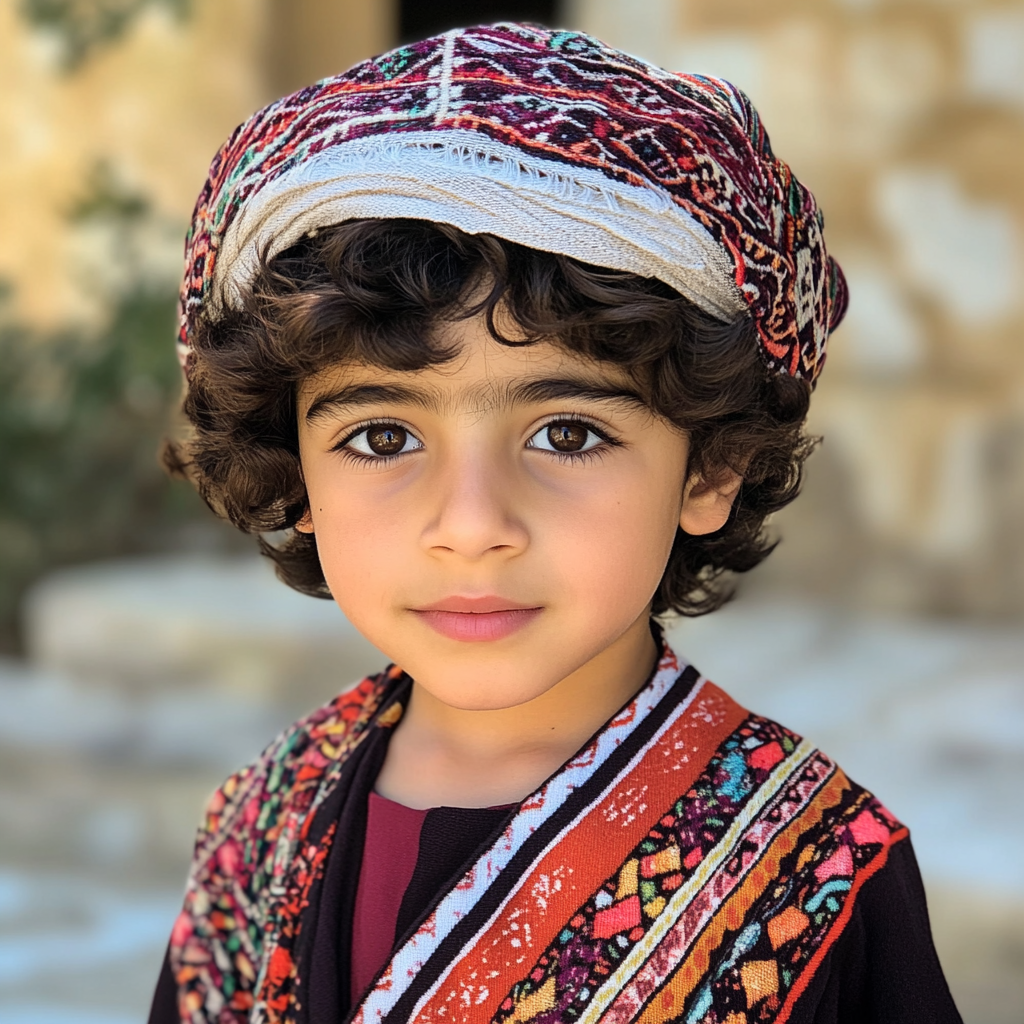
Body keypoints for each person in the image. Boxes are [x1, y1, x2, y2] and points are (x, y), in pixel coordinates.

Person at [148, 22, 961, 1024]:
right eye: (382, 438)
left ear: (710, 468)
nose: (472, 525)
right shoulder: (259, 826)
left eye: (568, 433)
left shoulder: (818, 874)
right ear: (298, 472)